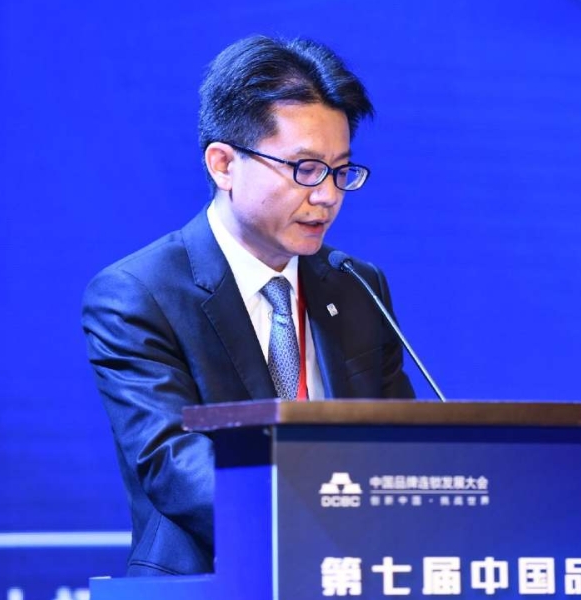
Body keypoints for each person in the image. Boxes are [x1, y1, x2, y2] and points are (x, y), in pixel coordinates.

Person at [81, 35, 415, 577]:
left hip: (352, 576)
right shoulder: (139, 293)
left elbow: (399, 441)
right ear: (223, 165)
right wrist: (320, 531)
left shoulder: (355, 284)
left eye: (340, 171)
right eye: (305, 168)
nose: (327, 195)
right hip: (213, 579)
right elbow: (173, 463)